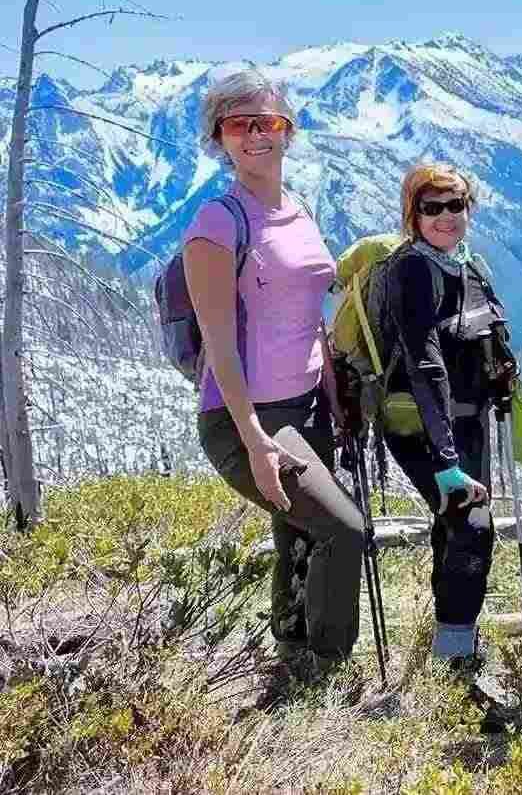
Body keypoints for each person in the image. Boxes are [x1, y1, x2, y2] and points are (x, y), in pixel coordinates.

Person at [184, 70, 364, 705]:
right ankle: (329, 672)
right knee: (344, 531)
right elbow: (219, 345)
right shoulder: (216, 224)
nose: (257, 134)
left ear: (289, 129)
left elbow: (311, 315)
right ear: (220, 138)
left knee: (299, 533)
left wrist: (334, 397)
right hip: (246, 416)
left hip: (308, 403)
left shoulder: (301, 210)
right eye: (241, 124)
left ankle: (293, 658)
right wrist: (256, 440)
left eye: (270, 122)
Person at [378, 163, 500, 671]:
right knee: (472, 525)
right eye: (433, 208)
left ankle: (452, 647)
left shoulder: (468, 265)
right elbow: (424, 363)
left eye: (456, 205)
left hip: (469, 420)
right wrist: (447, 462)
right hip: (424, 427)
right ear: (414, 214)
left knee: (455, 528)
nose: (446, 216)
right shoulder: (411, 269)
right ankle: (457, 658)